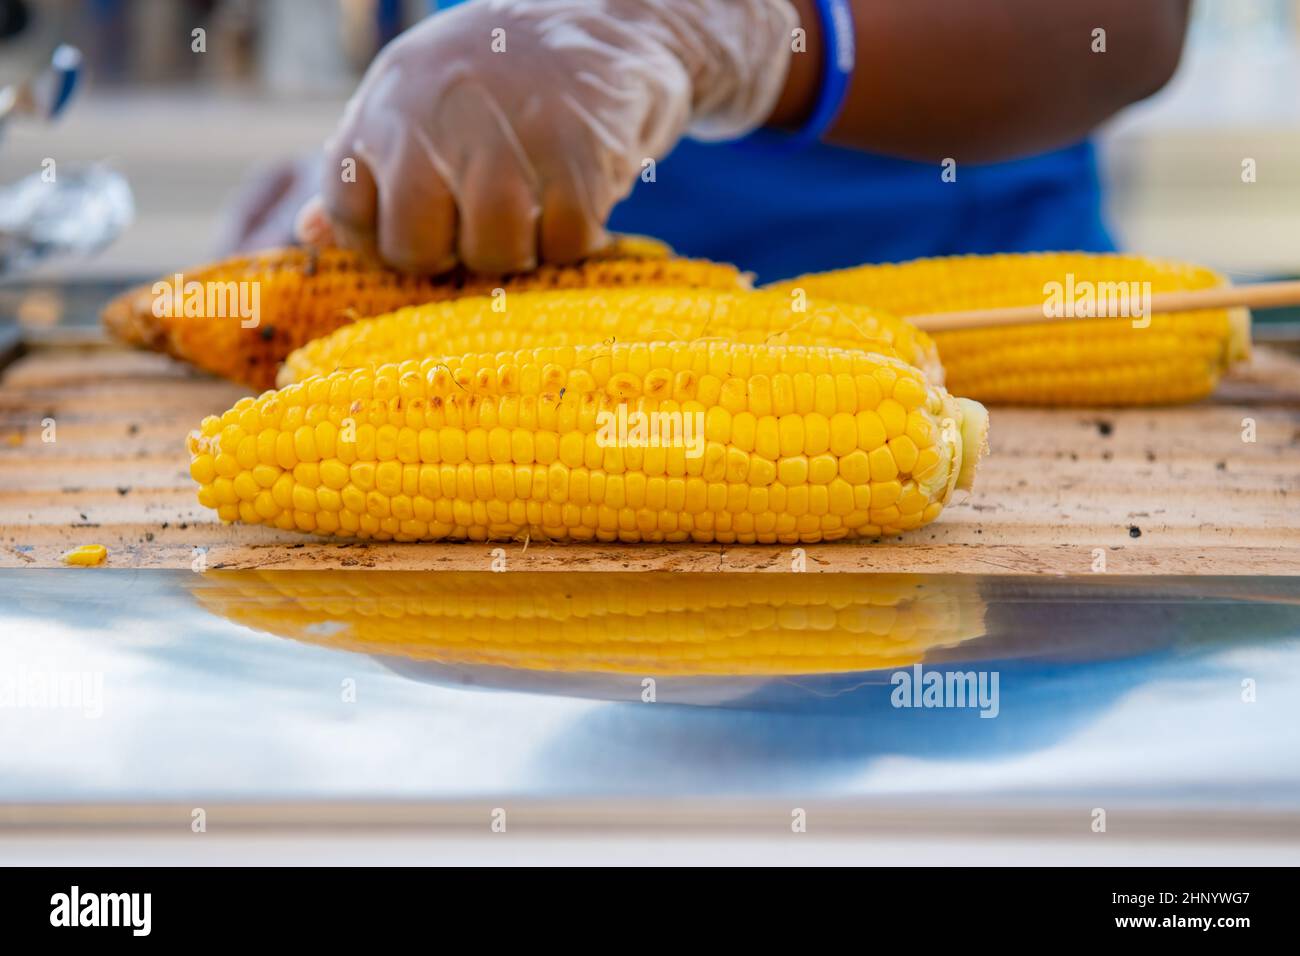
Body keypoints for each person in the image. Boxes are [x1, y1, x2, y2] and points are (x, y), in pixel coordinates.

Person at [274, 0, 1191, 284]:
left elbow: (1136, 26)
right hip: (541, 392)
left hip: (966, 379)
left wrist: (743, 36)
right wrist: (391, 178)